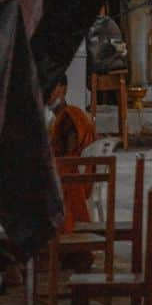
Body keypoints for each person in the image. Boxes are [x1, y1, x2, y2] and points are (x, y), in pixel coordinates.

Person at [46, 75, 96, 234]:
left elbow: (66, 157)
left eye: (50, 88)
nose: (46, 94)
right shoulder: (59, 118)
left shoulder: (69, 117)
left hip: (72, 179)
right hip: (70, 175)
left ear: (63, 88)